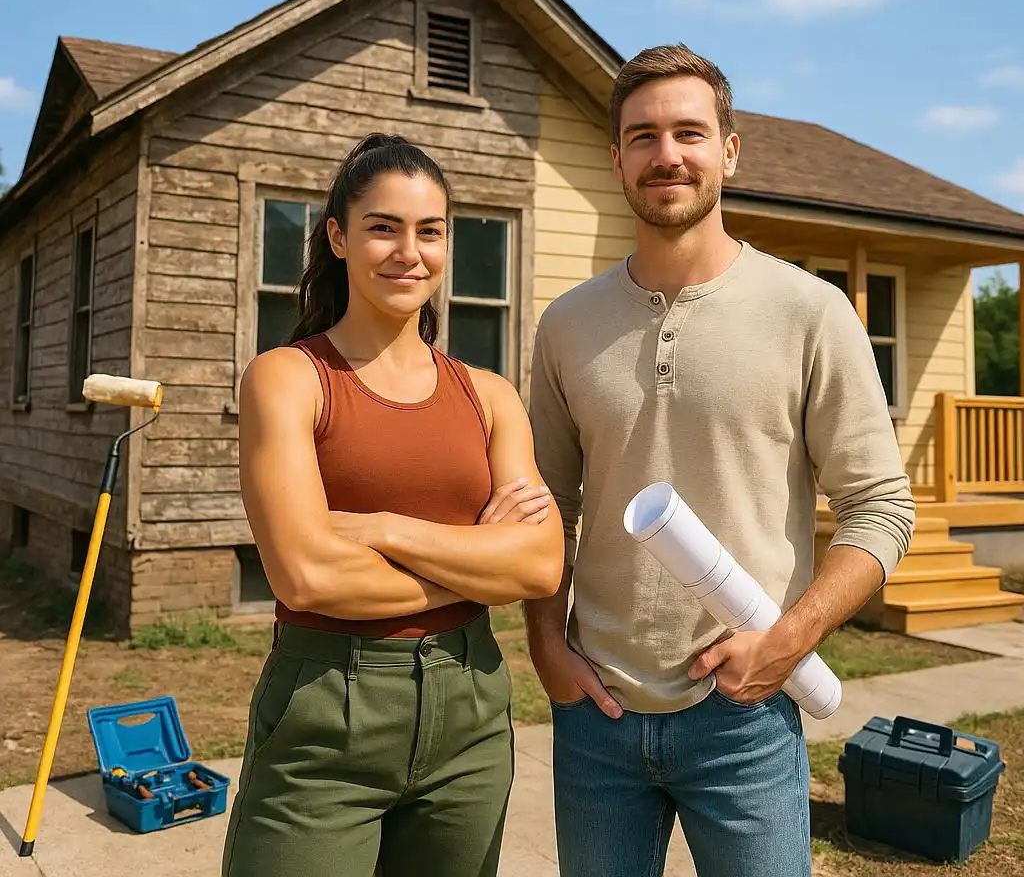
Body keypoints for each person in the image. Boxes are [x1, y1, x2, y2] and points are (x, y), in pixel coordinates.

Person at [523, 44, 917, 877]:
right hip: (597, 715)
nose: (667, 154)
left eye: (689, 133)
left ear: (729, 151)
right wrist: (545, 646)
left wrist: (789, 639)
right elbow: (547, 506)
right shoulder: (566, 324)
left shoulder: (811, 313)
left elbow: (881, 506)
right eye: (643, 136)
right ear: (618, 157)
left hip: (744, 712)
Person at [221, 133, 564, 877]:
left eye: (430, 231)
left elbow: (540, 566)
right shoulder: (288, 378)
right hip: (326, 709)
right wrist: (480, 567)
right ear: (339, 237)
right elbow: (309, 579)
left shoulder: (491, 394)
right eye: (384, 227)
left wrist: (385, 530)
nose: (410, 251)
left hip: (471, 712)